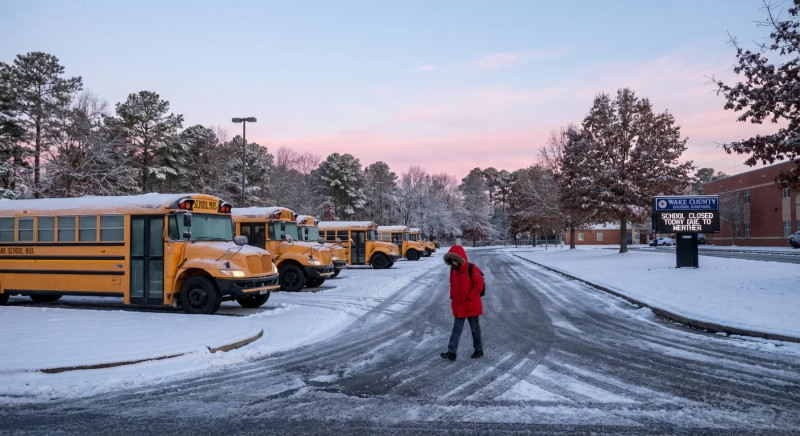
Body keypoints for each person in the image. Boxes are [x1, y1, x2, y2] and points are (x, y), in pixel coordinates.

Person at [441, 244, 485, 361]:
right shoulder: (453, 270)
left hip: (471, 305)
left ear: (460, 258)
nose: (453, 263)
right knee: (456, 329)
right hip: (459, 306)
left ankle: (479, 350)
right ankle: (451, 352)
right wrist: (453, 295)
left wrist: (470, 297)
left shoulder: (471, 268)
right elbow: (452, 284)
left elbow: (479, 285)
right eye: (451, 261)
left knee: (475, 329)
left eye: (455, 260)